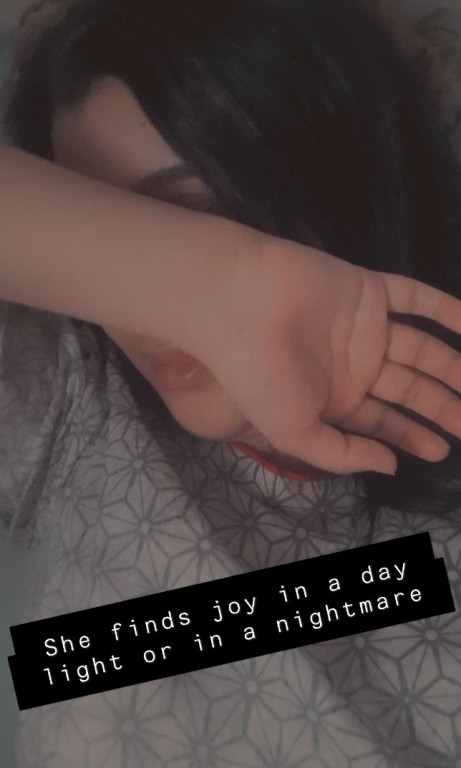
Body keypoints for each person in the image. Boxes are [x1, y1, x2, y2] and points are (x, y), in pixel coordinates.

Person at [1, 0, 461, 766]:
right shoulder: (67, 390)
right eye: (110, 244)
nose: (144, 305)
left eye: (193, 211)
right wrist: (213, 274)